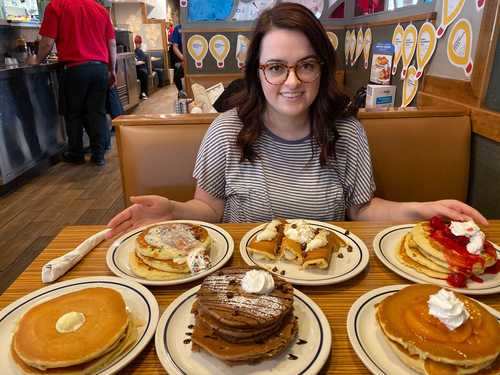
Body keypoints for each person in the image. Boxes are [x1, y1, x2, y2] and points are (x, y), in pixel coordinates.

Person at [106, 3, 486, 237]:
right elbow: (210, 210)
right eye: (276, 67)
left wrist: (418, 210)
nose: (292, 81)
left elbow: (363, 209)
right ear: (257, 72)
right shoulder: (226, 131)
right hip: (244, 280)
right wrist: (174, 212)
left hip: (330, 278)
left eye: (306, 65)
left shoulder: (346, 132)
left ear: (322, 68)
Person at [29, 0, 116, 167]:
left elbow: (47, 42)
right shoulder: (100, 9)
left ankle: (76, 153)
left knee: (73, 112)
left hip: (75, 69)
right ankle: (99, 155)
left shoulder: (56, 6)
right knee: (96, 112)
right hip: (99, 69)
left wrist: (37, 60)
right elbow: (111, 43)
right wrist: (112, 69)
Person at [170, 24, 185, 93]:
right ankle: (181, 92)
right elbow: (175, 47)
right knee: (177, 76)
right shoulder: (178, 28)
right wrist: (183, 58)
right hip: (181, 59)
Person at [134, 35, 149, 100]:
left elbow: (143, 60)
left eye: (138, 43)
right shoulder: (134, 51)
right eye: (136, 43)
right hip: (138, 69)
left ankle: (143, 93)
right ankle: (143, 93)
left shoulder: (141, 51)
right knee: (143, 73)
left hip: (142, 69)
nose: (137, 44)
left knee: (144, 73)